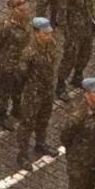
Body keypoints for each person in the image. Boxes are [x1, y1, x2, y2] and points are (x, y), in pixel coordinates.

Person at [16, 17, 60, 171]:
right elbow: (21, 75)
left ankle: (41, 143)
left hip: (47, 90)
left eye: (49, 33)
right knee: (27, 123)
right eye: (45, 33)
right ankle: (22, 154)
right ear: (37, 33)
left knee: (44, 118)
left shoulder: (51, 44)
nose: (49, 35)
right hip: (33, 93)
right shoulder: (29, 52)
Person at [56, 0, 95, 100]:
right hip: (73, 31)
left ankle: (77, 76)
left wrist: (93, 22)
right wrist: (67, 33)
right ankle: (61, 85)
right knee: (69, 58)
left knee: (85, 54)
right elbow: (61, 16)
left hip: (86, 28)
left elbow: (90, 5)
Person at [0, 0, 30, 130]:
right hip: (7, 63)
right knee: (5, 90)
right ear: (13, 9)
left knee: (19, 86)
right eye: (21, 9)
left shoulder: (25, 21)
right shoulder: (6, 25)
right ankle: (2, 116)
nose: (25, 11)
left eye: (26, 8)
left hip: (20, 62)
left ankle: (16, 108)